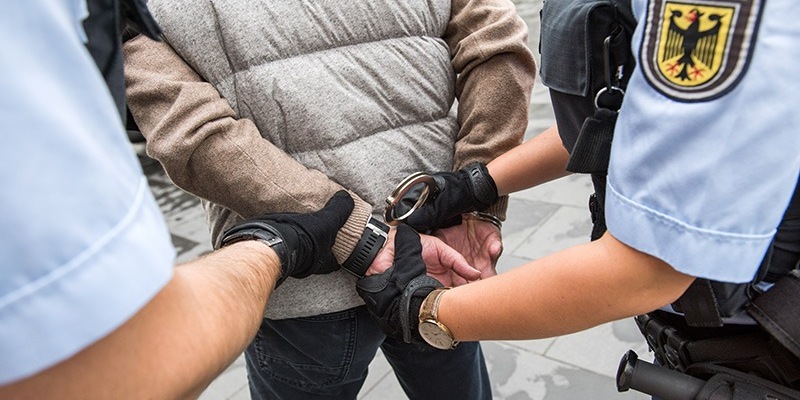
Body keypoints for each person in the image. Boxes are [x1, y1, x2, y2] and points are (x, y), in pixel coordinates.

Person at [356, 0, 800, 396]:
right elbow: (620, 127)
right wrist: (476, 184)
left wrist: (430, 311)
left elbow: (650, 268)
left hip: (768, 344)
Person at [0, 1, 426, 398]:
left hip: (348, 275)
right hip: (432, 239)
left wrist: (286, 244)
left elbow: (129, 354)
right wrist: (473, 199)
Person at [122, 0, 536, 398]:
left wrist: (360, 236)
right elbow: (496, 42)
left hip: (306, 281)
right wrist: (473, 196)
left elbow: (189, 128)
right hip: (443, 245)